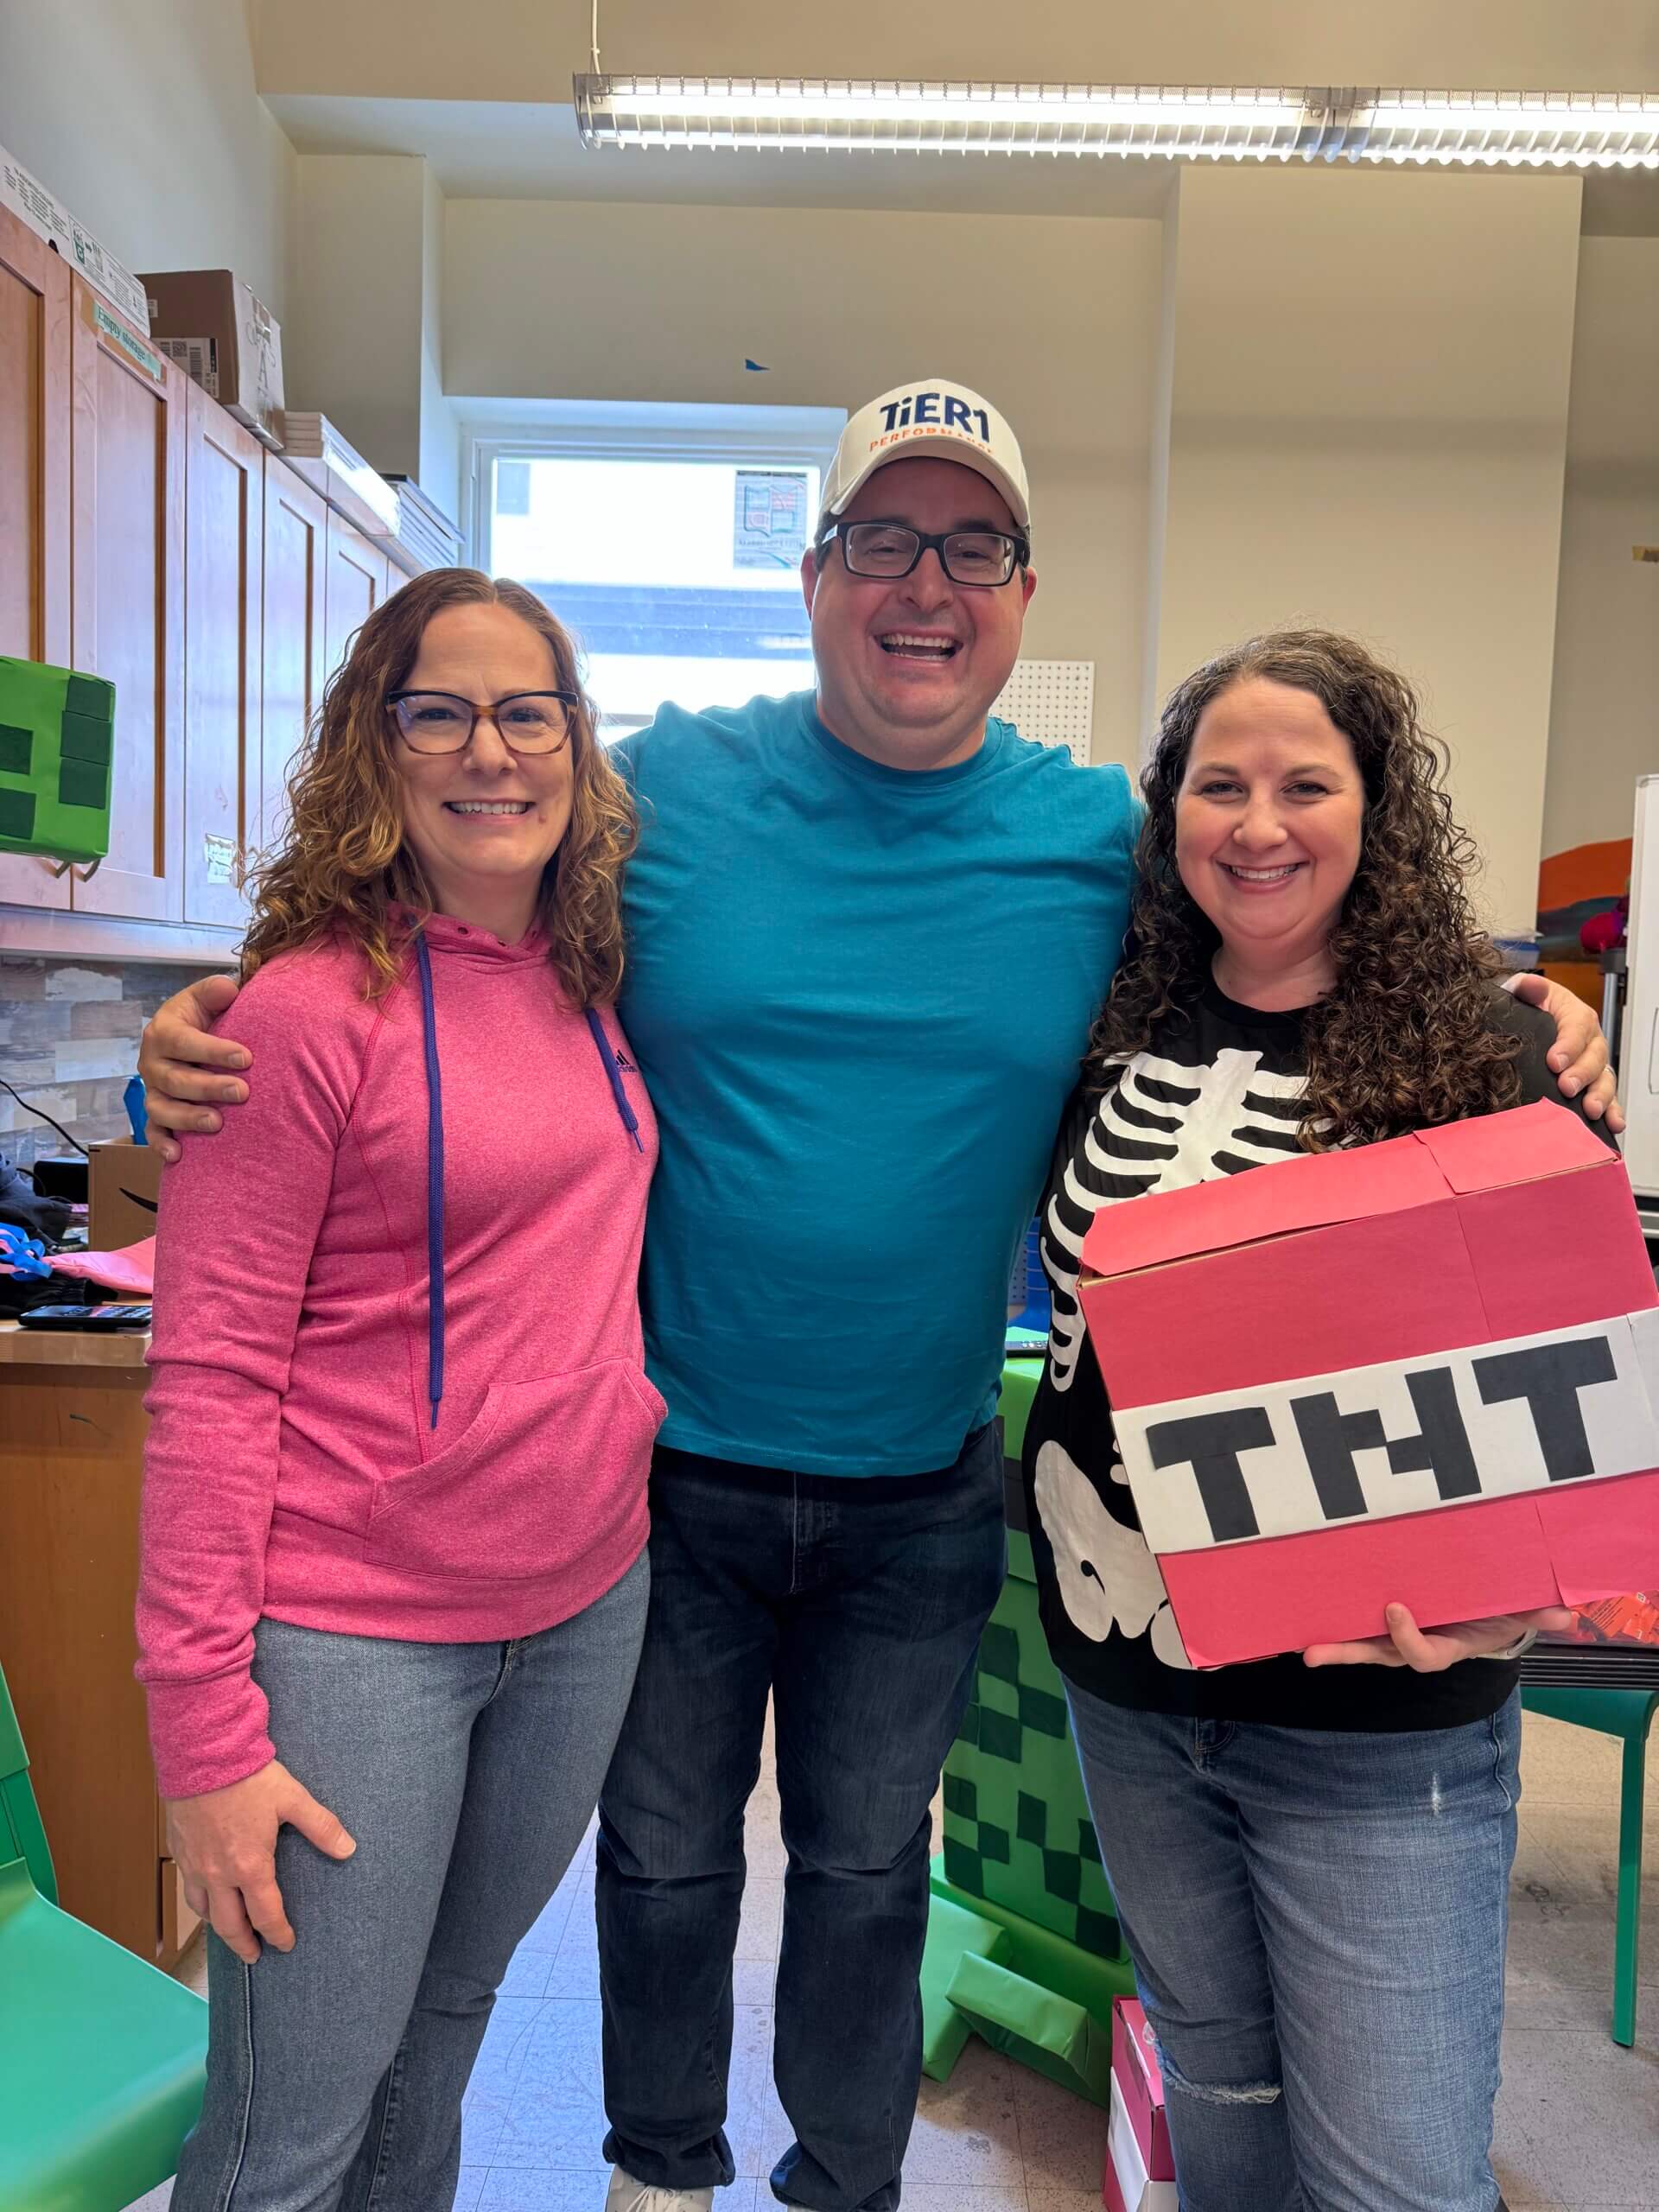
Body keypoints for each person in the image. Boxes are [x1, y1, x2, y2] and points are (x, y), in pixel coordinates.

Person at [135, 386, 1614, 2212]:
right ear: (818, 575)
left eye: (971, 545)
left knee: (859, 1869)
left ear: (1020, 590)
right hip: (659, 1478)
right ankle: (658, 2171)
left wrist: (1522, 1012)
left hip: (922, 1476)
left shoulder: (1101, 838)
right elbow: (444, 908)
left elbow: (1298, 894)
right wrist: (216, 1008)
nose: (927, 583)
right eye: (885, 541)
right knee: (664, 1861)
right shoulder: (654, 791)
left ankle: (844, 2181)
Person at [1024, 628, 1607, 2212]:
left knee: (1397, 2174)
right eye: (1220, 784)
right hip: (1132, 1694)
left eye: (1305, 783)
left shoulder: (1490, 1057)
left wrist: (1506, 1605)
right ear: (1171, 818)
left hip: (1377, 1728)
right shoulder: (1103, 1032)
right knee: (1216, 2089)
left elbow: (1572, 1397)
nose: (1258, 823)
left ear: (1377, 811)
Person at [137, 569, 661, 2211]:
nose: (488, 752)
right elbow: (210, 1373)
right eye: (439, 709)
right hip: (357, 1641)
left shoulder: (597, 978)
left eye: (529, 711)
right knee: (287, 2126)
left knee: (439, 2047)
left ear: (578, 744)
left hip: (582, 1608)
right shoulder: (296, 1017)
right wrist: (202, 1733)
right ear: (379, 743)